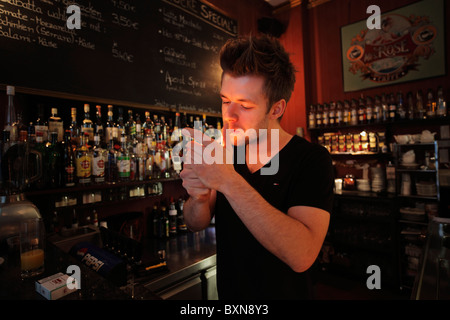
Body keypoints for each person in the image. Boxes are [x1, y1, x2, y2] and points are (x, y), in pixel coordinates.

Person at [179, 34, 334, 300]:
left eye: (245, 105)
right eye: (226, 100)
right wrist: (198, 198)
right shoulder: (224, 151)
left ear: (276, 109)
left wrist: (228, 181)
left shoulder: (312, 159)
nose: (229, 116)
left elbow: (302, 255)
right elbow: (195, 223)